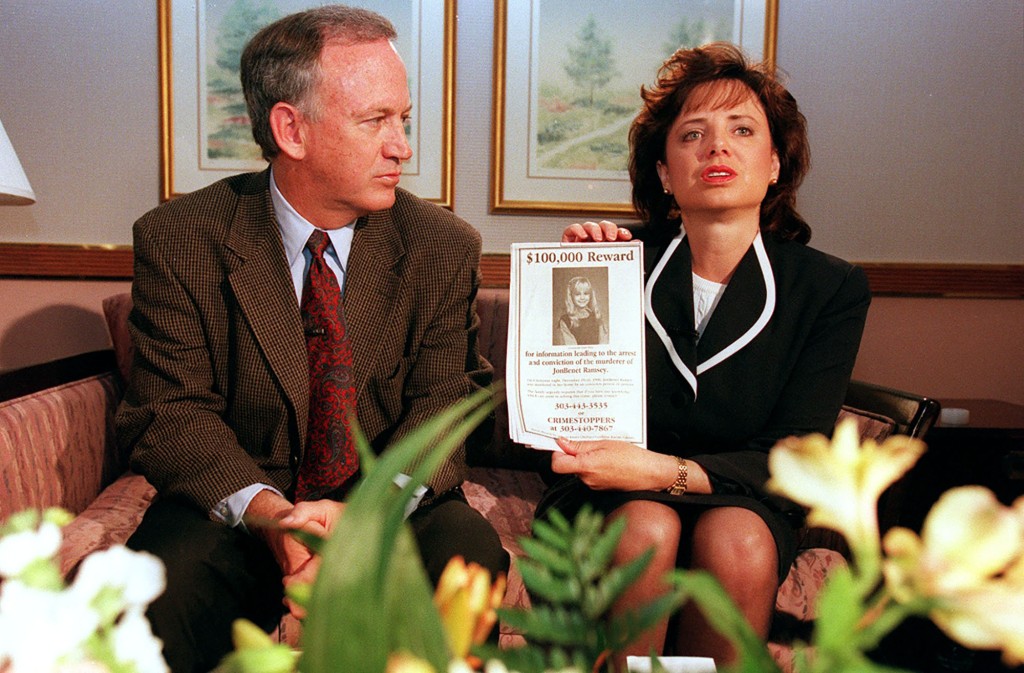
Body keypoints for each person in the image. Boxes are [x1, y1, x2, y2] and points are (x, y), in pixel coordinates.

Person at [116, 6, 508, 671]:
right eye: (375, 121)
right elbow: (172, 412)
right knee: (161, 582)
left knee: (466, 550)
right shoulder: (180, 239)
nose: (402, 146)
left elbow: (444, 409)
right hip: (239, 508)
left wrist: (364, 520)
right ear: (291, 129)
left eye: (403, 119)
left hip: (389, 508)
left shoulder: (442, 247)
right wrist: (270, 513)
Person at [539, 42, 871, 664]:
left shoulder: (830, 287)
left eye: (742, 130)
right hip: (609, 492)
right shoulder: (609, 261)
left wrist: (665, 472)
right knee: (647, 527)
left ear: (775, 163)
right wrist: (567, 280)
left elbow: (796, 455)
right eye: (693, 133)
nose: (717, 147)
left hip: (743, 496)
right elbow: (561, 417)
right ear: (665, 173)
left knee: (739, 538)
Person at [556, 275, 609, 346]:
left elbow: (604, 342)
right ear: (571, 296)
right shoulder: (566, 321)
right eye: (577, 294)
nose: (582, 297)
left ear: (590, 295)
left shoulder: (596, 316)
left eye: (586, 293)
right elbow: (569, 347)